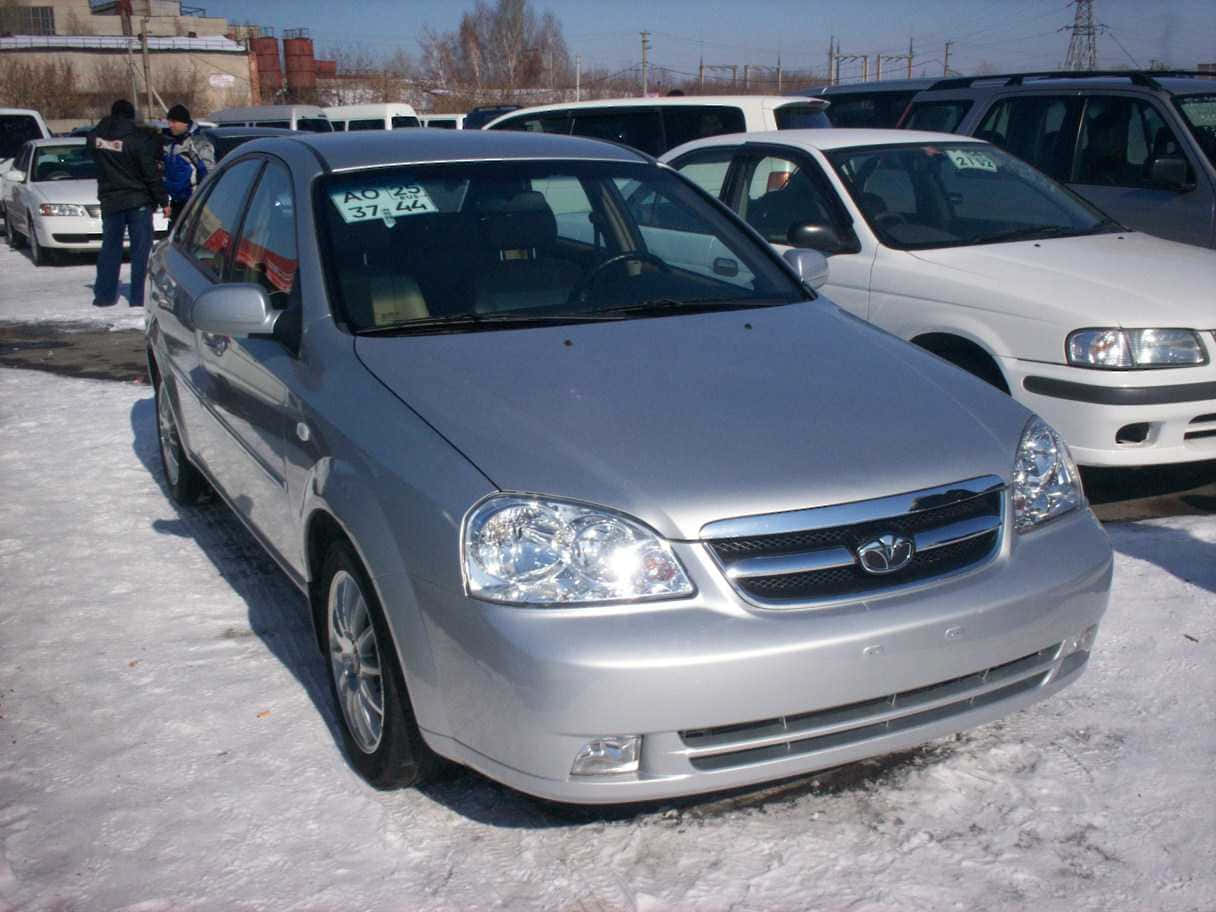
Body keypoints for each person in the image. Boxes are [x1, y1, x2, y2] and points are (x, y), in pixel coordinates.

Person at [86, 99, 168, 308]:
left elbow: (93, 153)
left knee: (110, 249)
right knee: (141, 251)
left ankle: (104, 296)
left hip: (110, 200)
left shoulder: (95, 137)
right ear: (131, 116)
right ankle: (139, 298)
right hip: (137, 200)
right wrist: (162, 200)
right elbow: (150, 173)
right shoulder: (138, 140)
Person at [162, 103, 214, 226]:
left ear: (184, 123)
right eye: (169, 122)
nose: (170, 125)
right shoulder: (169, 143)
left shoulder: (197, 142)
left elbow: (209, 172)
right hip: (176, 202)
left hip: (193, 202)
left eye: (174, 122)